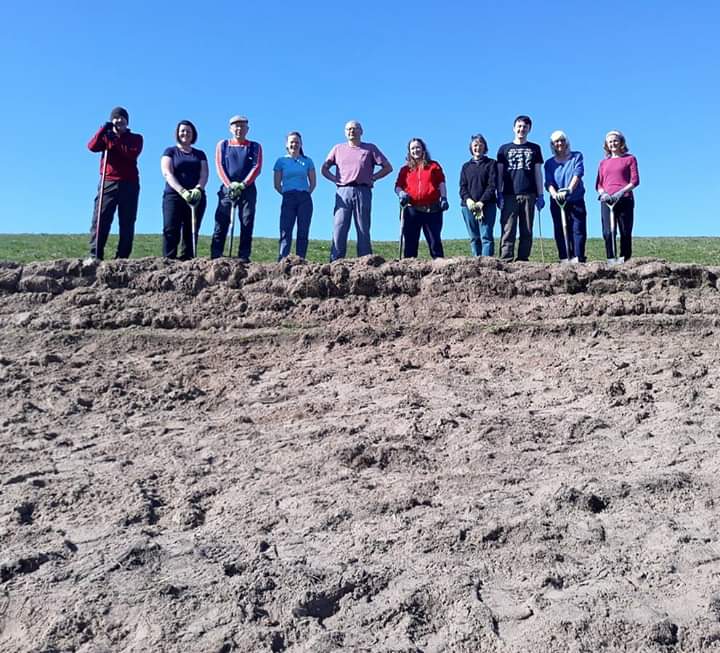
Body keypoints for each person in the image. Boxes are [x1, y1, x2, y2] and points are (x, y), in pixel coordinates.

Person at [321, 120, 392, 260]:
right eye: (348, 129)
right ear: (345, 132)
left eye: (355, 128)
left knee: (363, 227)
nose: (351, 131)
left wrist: (374, 178)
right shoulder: (337, 148)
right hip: (343, 190)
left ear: (361, 131)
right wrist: (335, 179)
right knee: (339, 227)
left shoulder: (370, 148)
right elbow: (324, 168)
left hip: (363, 191)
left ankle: (365, 261)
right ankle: (335, 261)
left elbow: (388, 167)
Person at [87, 107, 143, 260]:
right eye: (116, 118)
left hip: (129, 183)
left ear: (127, 121)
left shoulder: (136, 138)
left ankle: (122, 258)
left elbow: (130, 153)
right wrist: (103, 130)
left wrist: (115, 140)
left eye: (123, 118)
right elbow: (91, 146)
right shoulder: (106, 136)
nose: (120, 121)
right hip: (108, 181)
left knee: (127, 221)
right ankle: (95, 255)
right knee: (100, 219)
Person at [210, 115, 262, 262]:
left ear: (247, 129)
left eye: (242, 126)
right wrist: (229, 184)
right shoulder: (223, 145)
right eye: (236, 126)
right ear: (231, 128)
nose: (239, 129)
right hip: (227, 187)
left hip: (248, 188)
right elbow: (219, 165)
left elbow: (256, 167)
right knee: (221, 220)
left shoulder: (255, 146)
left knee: (247, 221)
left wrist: (243, 184)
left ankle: (243, 256)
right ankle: (216, 255)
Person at [496, 115, 545, 261]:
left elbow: (538, 172)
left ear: (529, 129)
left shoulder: (535, 148)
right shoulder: (504, 149)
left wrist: (540, 194)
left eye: (525, 127)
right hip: (509, 194)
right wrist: (499, 193)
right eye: (519, 126)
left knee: (527, 229)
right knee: (508, 228)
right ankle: (506, 259)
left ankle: (523, 259)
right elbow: (499, 173)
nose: (521, 129)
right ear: (514, 128)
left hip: (529, 194)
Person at [160, 120, 208, 259]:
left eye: (188, 131)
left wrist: (198, 189)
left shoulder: (200, 154)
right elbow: (167, 172)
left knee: (191, 230)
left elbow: (204, 173)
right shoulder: (170, 151)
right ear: (177, 133)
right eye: (182, 131)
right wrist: (182, 191)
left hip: (195, 197)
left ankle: (188, 261)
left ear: (193, 134)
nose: (185, 133)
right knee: (171, 228)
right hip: (174, 196)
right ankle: (169, 260)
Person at [394, 138, 447, 258]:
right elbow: (397, 186)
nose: (415, 150)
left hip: (432, 209)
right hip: (412, 209)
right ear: (409, 151)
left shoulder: (433, 166)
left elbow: (441, 183)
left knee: (434, 242)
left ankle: (440, 267)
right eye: (412, 148)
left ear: (423, 149)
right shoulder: (405, 169)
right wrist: (401, 193)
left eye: (418, 147)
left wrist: (444, 198)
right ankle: (408, 270)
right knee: (410, 243)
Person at [596, 130, 640, 261]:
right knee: (608, 232)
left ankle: (624, 259)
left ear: (621, 142)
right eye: (610, 141)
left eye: (615, 140)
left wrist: (620, 193)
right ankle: (610, 258)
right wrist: (603, 194)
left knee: (625, 231)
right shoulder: (603, 163)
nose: (613, 143)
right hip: (607, 200)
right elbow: (598, 184)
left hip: (624, 199)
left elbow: (635, 180)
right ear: (606, 144)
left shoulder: (630, 159)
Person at [544, 130, 587, 262]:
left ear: (566, 142)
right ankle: (564, 257)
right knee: (560, 229)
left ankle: (578, 257)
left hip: (575, 199)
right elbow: (549, 182)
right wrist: (555, 194)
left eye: (562, 140)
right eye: (556, 141)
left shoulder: (576, 156)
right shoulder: (549, 163)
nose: (560, 143)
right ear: (552, 144)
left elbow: (578, 173)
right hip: (558, 201)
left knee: (577, 228)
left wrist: (569, 190)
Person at [273, 132, 316, 260]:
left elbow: (313, 183)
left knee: (303, 230)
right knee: (286, 229)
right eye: (292, 142)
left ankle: (300, 259)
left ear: (301, 144)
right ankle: (283, 259)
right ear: (287, 144)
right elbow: (277, 184)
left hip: (304, 198)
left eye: (297, 142)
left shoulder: (307, 161)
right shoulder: (281, 161)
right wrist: (287, 193)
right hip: (288, 197)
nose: (294, 144)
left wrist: (305, 193)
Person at [459, 134, 498, 257]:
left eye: (481, 145)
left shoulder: (491, 164)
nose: (478, 148)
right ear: (471, 148)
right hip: (468, 207)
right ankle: (476, 263)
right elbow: (462, 187)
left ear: (485, 147)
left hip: (487, 205)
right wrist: (469, 201)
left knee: (486, 236)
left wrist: (482, 202)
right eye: (475, 145)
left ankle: (487, 264)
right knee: (474, 237)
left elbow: (492, 185)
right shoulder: (466, 167)